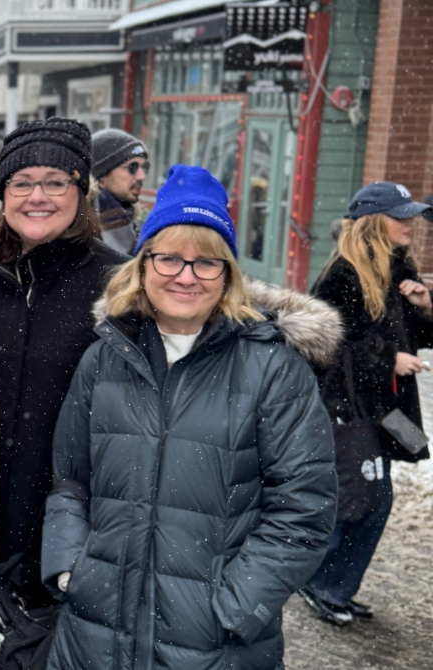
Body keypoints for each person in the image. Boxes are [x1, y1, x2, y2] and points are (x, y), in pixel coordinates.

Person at [40, 165, 338, 670]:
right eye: (169, 257)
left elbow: (304, 508)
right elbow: (70, 482)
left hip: (214, 645)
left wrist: (237, 607)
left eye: (207, 262)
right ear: (142, 264)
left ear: (228, 276)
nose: (185, 275)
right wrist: (72, 570)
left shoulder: (272, 368)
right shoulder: (104, 358)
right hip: (96, 634)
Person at [0, 118, 126, 669]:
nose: (38, 196)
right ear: (2, 193)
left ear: (82, 190)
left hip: (72, 526)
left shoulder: (118, 282)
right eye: (22, 181)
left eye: (56, 180)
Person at [300, 182, 433, 625]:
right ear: (375, 221)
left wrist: (424, 306)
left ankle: (333, 584)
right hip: (347, 409)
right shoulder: (343, 274)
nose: (410, 223)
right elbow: (324, 346)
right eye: (400, 216)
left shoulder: (398, 267)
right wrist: (387, 360)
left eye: (411, 214)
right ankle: (321, 582)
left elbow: (421, 338)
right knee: (363, 499)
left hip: (386, 410)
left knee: (373, 498)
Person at [90, 128, 148, 255]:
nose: (142, 176)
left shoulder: (128, 219)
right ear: (101, 178)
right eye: (132, 167)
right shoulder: (83, 232)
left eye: (144, 167)